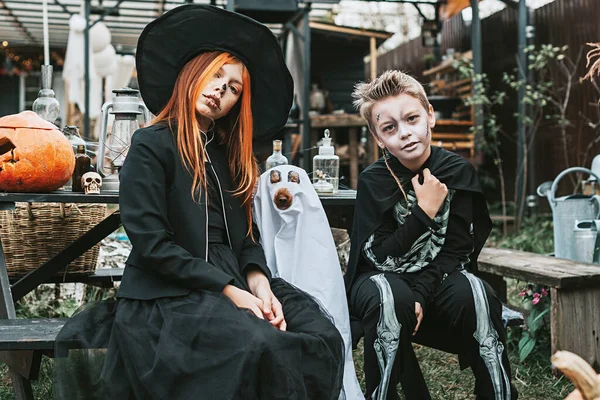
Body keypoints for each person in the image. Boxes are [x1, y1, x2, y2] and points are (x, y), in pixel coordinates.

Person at [55, 5, 343, 400]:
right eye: (215, 75)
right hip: (169, 293)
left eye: (233, 88)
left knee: (317, 332)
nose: (220, 90)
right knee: (255, 346)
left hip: (233, 279)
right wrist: (231, 292)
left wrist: (260, 283)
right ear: (192, 75)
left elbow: (245, 238)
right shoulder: (150, 145)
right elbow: (153, 246)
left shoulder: (229, 157)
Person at [345, 70, 518, 400]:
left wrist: (421, 293)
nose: (405, 133)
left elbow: (458, 251)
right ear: (378, 138)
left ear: (430, 117)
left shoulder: (457, 171)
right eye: (390, 128)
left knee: (477, 293)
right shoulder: (374, 180)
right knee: (387, 296)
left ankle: (498, 394)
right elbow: (378, 257)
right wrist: (423, 213)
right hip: (379, 280)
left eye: (412, 118)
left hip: (438, 277)